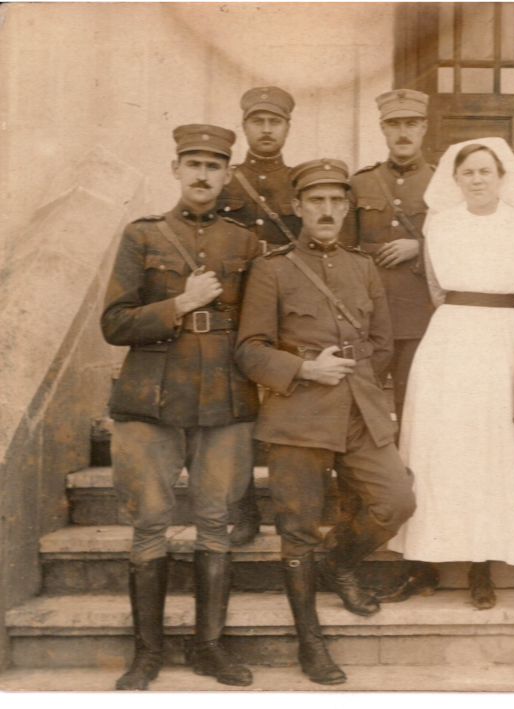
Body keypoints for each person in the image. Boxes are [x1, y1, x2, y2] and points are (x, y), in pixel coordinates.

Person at [235, 159, 416, 685]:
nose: (328, 210)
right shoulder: (273, 269)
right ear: (298, 207)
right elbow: (249, 351)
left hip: (359, 412)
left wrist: (357, 381)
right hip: (298, 416)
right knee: (297, 531)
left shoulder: (363, 267)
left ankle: (337, 560)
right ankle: (310, 641)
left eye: (337, 201)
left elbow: (382, 343)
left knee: (397, 500)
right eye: (317, 201)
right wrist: (306, 369)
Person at [101, 124, 260, 690]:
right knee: (150, 523)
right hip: (152, 400)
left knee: (215, 521)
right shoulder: (142, 235)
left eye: (214, 166)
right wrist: (181, 303)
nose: (202, 174)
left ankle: (208, 647)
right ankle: (147, 654)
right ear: (175, 169)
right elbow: (114, 323)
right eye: (193, 163)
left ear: (227, 174)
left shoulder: (245, 242)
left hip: (223, 398)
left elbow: (258, 326)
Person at [386, 138, 514, 609]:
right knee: (439, 450)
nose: (477, 180)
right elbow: (437, 289)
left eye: (485, 171)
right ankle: (423, 563)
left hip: (504, 341)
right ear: (455, 179)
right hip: (450, 341)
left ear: (501, 177)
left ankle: (482, 566)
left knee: (490, 451)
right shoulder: (440, 225)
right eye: (468, 172)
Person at [343, 88, 440, 602]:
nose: (403, 133)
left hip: (421, 327)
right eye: (394, 124)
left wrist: (420, 248)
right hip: (366, 327)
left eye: (411, 123)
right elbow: (343, 252)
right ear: (383, 129)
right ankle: (354, 532)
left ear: (424, 127)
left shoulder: (444, 182)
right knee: (355, 428)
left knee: (418, 436)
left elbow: (461, 242)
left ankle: (419, 554)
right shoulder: (361, 184)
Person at [216, 85, 301, 547]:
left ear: (287, 127)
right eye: (258, 121)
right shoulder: (226, 182)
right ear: (245, 125)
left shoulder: (301, 182)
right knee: (238, 415)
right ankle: (243, 511)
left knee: (290, 412)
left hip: (288, 312)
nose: (267, 130)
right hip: (236, 309)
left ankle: (294, 512)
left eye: (275, 122)